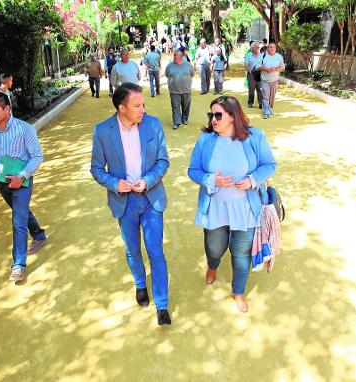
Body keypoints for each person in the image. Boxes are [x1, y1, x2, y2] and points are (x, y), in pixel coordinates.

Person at [90, 83, 172, 326]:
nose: (143, 110)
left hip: (150, 198)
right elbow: (96, 169)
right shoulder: (102, 131)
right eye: (137, 106)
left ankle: (162, 304)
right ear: (121, 107)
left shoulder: (153, 124)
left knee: (156, 251)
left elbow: (162, 161)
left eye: (143, 104)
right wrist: (116, 183)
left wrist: (147, 181)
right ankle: (139, 284)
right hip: (123, 202)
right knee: (132, 249)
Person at [187, 95, 276, 313]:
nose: (213, 120)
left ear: (233, 117)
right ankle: (213, 265)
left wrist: (253, 180)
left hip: (245, 208)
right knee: (214, 247)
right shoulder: (205, 140)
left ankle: (238, 291)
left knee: (241, 251)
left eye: (218, 115)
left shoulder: (255, 137)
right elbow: (193, 170)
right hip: (216, 206)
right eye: (211, 115)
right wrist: (211, 180)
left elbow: (269, 164)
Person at [0, 92, 47, 282]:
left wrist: (22, 176)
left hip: (22, 181)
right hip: (2, 182)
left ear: (7, 109)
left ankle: (18, 264)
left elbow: (38, 157)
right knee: (21, 212)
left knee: (18, 220)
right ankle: (39, 234)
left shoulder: (25, 129)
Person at [165, 50, 195, 129]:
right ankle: (176, 122)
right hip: (174, 91)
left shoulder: (188, 65)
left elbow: (192, 74)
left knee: (186, 106)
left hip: (186, 90)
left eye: (176, 55)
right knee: (175, 107)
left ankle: (184, 119)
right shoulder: (169, 66)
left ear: (181, 56)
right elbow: (167, 74)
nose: (174, 56)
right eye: (174, 55)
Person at [258, 42, 285, 119]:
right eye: (270, 47)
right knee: (266, 97)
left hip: (275, 80)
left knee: (271, 97)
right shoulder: (262, 56)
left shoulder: (279, 57)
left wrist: (276, 69)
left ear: (275, 48)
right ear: (267, 48)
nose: (272, 48)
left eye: (273, 47)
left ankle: (269, 108)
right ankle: (266, 112)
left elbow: (282, 67)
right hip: (265, 80)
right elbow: (258, 66)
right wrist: (265, 69)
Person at [244, 41, 263, 109]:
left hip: (260, 75)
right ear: (252, 48)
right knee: (251, 90)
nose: (258, 49)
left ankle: (261, 103)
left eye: (258, 47)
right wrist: (251, 72)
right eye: (256, 47)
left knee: (260, 89)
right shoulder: (248, 55)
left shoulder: (261, 55)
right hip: (251, 74)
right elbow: (246, 65)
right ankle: (250, 102)